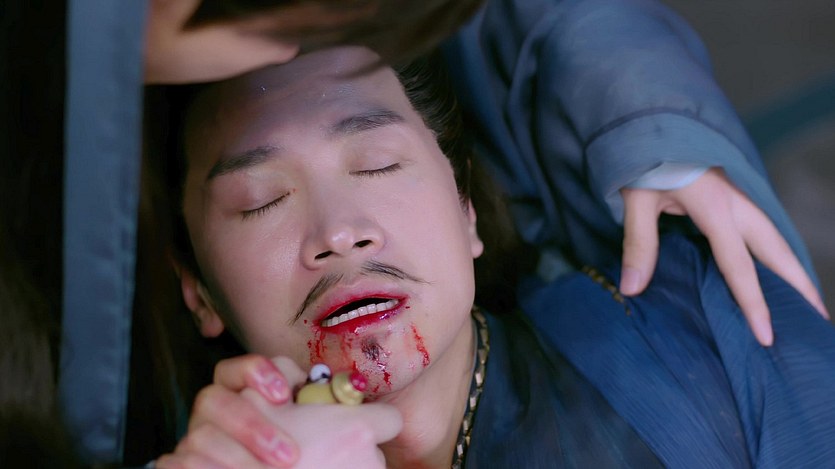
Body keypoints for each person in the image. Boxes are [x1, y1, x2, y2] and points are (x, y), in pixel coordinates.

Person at [146, 46, 835, 468]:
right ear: (198, 289)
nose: (339, 231)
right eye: (261, 200)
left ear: (467, 208)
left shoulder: (704, 326)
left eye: (378, 163)